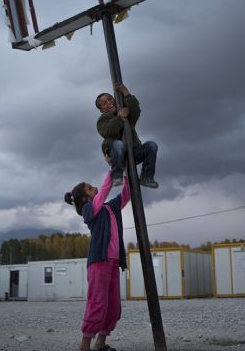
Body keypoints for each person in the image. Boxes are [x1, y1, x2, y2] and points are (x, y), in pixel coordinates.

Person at [65, 170, 130, 351]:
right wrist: (113, 170)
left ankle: (100, 343)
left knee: (114, 306)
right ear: (85, 199)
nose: (94, 188)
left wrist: (126, 175)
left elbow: (126, 195)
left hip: (114, 262)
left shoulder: (110, 207)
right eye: (90, 188)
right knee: (98, 302)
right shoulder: (89, 210)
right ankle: (85, 345)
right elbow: (102, 193)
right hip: (99, 262)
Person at [95, 82, 159, 188]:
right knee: (118, 144)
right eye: (104, 103)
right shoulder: (103, 119)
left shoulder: (126, 113)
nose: (109, 103)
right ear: (102, 110)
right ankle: (117, 175)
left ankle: (147, 177)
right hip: (118, 156)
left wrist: (125, 92)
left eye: (110, 99)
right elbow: (108, 131)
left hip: (133, 152)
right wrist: (120, 118)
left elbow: (135, 110)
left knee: (151, 145)